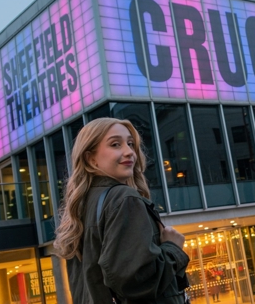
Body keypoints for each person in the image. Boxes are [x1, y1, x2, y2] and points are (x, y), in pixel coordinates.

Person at [54, 117, 190, 303]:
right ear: (90, 158)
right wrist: (173, 249)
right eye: (115, 144)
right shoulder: (124, 199)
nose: (129, 152)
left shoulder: (82, 207)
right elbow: (136, 281)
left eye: (131, 144)